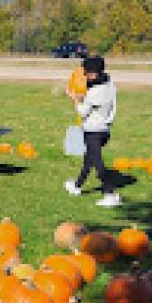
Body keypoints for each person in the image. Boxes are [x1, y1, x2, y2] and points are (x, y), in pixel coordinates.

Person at [65, 55, 121, 207]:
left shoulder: (95, 91)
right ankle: (77, 186)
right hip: (105, 129)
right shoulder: (109, 84)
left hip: (93, 132)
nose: (87, 75)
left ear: (97, 72)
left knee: (98, 163)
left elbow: (83, 112)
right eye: (86, 72)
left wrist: (75, 99)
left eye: (89, 73)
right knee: (88, 160)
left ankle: (111, 194)